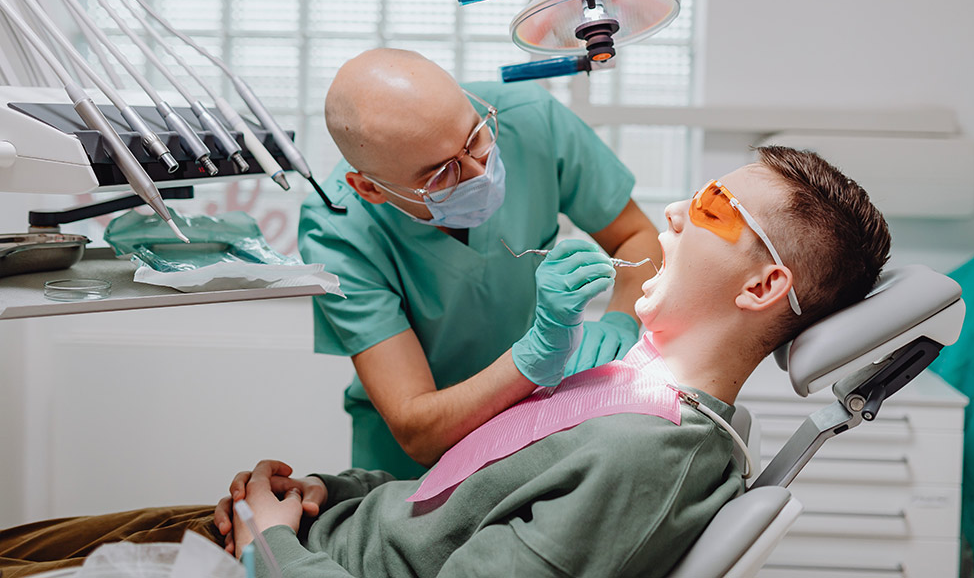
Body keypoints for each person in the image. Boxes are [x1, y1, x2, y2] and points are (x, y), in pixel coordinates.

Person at [0, 146, 891, 578]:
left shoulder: (650, 456)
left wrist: (272, 542)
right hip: (315, 529)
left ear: (765, 283)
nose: (672, 211)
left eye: (712, 206)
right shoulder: (632, 389)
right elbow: (447, 496)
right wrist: (321, 493)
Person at [298, 48, 661, 478]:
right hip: (418, 466)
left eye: (475, 138)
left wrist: (620, 321)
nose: (479, 171)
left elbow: (637, 237)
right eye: (441, 174)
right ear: (369, 189)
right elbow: (418, 429)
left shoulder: (529, 118)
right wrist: (537, 353)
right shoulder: (337, 231)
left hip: (539, 424)